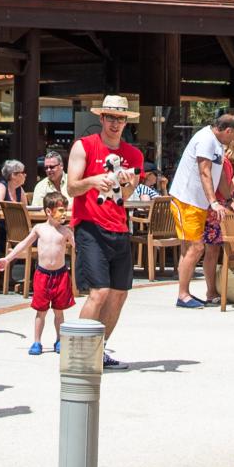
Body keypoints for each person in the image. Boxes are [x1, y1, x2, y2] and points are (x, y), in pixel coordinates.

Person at [67, 96, 146, 366]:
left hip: (119, 227)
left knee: (119, 293)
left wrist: (126, 182)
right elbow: (71, 188)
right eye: (111, 117)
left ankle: (98, 350)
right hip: (89, 225)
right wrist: (92, 180)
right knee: (98, 292)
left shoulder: (134, 155)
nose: (115, 123)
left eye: (121, 118)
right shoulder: (84, 146)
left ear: (127, 122)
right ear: (101, 119)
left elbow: (125, 195)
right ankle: (79, 353)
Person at [170, 112, 234, 308]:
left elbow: (219, 178)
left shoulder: (217, 143)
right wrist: (214, 202)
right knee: (196, 247)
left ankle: (185, 293)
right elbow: (205, 171)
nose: (233, 140)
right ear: (228, 130)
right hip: (187, 200)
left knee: (189, 250)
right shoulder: (206, 139)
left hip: (197, 203)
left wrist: (228, 200)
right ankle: (182, 295)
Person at [2, 202, 75, 354]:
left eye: (65, 210)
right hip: (43, 275)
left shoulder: (66, 231)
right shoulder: (39, 229)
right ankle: (37, 342)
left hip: (60, 275)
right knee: (40, 311)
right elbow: (23, 244)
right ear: (49, 211)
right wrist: (8, 259)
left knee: (59, 311)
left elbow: (79, 247)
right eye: (60, 210)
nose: (64, 214)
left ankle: (59, 340)